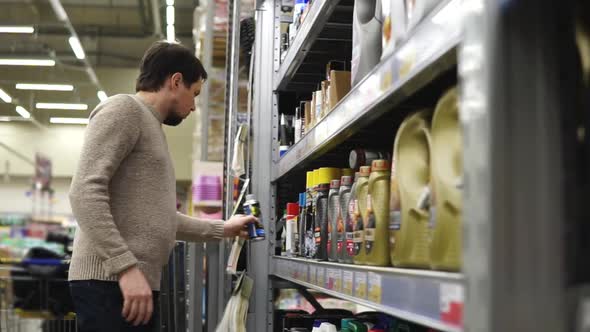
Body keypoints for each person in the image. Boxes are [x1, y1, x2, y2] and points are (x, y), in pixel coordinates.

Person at [67, 41, 255, 332]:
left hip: (128, 280)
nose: (193, 106)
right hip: (109, 281)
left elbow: (160, 217)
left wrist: (223, 229)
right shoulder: (124, 110)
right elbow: (84, 192)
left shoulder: (152, 127)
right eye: (193, 95)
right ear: (175, 81)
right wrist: (126, 268)